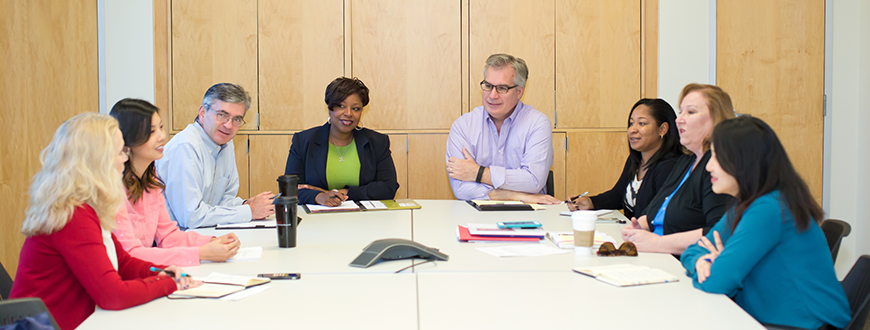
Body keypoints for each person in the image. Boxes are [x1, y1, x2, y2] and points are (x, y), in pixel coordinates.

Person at [9, 113, 199, 330]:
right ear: (98, 160)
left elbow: (123, 262)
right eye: (121, 152)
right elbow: (113, 295)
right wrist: (166, 283)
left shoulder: (86, 205)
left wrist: (159, 271)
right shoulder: (73, 214)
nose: (126, 159)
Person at [682, 116, 850, 329]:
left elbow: (717, 282)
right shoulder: (747, 205)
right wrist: (702, 261)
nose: (708, 167)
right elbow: (691, 252)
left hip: (802, 325)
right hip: (768, 319)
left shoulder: (769, 208)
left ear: (743, 160)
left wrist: (718, 264)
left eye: (717, 156)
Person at [110, 98, 241, 266]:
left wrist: (211, 241)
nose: (162, 136)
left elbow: (168, 236)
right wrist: (200, 253)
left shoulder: (151, 182)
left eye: (161, 127)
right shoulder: (113, 189)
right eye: (151, 132)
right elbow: (129, 255)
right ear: (127, 139)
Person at [621, 84, 736, 254]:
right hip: (654, 252)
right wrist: (638, 227)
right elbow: (656, 207)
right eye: (680, 111)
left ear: (716, 118)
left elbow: (717, 232)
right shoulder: (686, 160)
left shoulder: (719, 168)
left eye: (690, 112)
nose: (679, 119)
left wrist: (657, 243)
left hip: (683, 260)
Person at [156, 83, 275, 228]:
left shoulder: (225, 143)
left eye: (236, 119)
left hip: (205, 233)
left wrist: (245, 204)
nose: (229, 125)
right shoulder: (185, 148)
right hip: (175, 240)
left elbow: (220, 202)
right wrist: (248, 212)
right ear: (203, 113)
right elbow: (191, 217)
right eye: (222, 115)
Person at [446, 53, 559, 204]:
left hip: (530, 215)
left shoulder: (537, 123)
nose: (492, 95)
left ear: (519, 92)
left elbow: (533, 181)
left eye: (502, 88)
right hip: (478, 214)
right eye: (488, 86)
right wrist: (517, 196)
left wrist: (478, 173)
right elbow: (460, 188)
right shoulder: (463, 126)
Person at [285, 77, 399, 206]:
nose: (348, 113)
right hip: (317, 220)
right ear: (330, 108)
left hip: (365, 219)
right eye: (341, 106)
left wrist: (339, 193)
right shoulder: (304, 141)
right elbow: (290, 189)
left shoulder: (377, 142)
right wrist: (319, 197)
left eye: (356, 108)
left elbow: (388, 187)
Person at [568, 99, 682, 218]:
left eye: (642, 123)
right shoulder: (636, 160)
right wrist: (590, 202)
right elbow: (618, 195)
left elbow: (660, 215)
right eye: (631, 123)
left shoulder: (668, 166)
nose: (632, 130)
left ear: (663, 129)